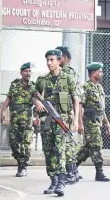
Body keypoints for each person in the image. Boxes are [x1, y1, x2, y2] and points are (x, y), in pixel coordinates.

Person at [33, 49, 79, 197]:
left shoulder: (68, 78)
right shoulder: (42, 80)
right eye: (47, 60)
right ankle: (53, 181)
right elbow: (34, 95)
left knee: (60, 150)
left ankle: (61, 183)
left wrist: (76, 120)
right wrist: (37, 103)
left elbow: (75, 100)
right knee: (48, 151)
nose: (49, 63)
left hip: (62, 120)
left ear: (59, 61)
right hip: (46, 121)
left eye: (52, 60)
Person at [75, 62, 110, 182]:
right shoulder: (86, 87)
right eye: (100, 71)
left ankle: (71, 167)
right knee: (96, 145)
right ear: (93, 73)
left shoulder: (99, 87)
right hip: (89, 122)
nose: (102, 73)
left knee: (87, 149)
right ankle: (99, 173)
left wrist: (106, 122)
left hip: (98, 121)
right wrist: (80, 123)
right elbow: (80, 105)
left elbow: (101, 108)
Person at [1, 62, 36, 177]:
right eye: (26, 71)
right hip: (15, 119)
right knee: (13, 143)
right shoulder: (14, 85)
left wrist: (37, 117)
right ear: (21, 72)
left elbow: (37, 102)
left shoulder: (33, 86)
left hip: (27, 120)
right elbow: (8, 99)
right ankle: (20, 162)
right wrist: (2, 111)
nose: (28, 73)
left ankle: (23, 167)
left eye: (30, 71)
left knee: (26, 144)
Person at [55, 46, 84, 184]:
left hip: (67, 111)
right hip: (70, 111)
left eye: (58, 57)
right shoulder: (73, 71)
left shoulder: (65, 72)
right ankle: (74, 173)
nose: (55, 60)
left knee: (66, 144)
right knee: (69, 142)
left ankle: (71, 173)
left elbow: (72, 95)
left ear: (65, 59)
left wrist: (76, 119)